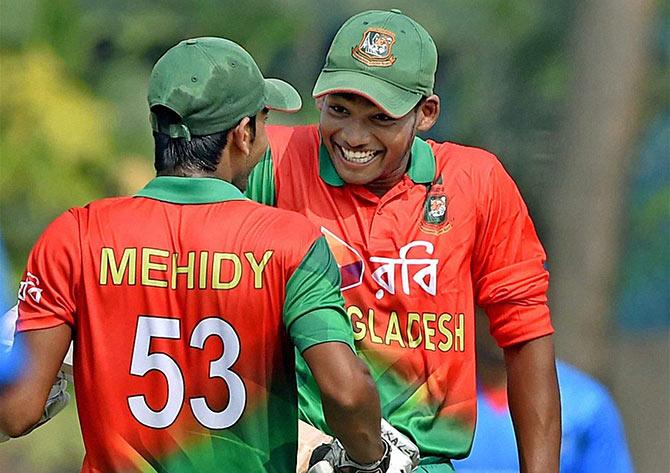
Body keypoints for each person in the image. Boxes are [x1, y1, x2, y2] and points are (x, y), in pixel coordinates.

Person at [0, 37, 412, 473]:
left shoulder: (76, 234)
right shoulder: (292, 242)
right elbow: (346, 392)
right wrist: (373, 456)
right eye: (264, 120)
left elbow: (17, 411)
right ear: (242, 133)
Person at [245, 9, 561, 472]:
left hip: (422, 463)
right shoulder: (270, 160)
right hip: (300, 457)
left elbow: (526, 334)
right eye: (339, 110)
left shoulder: (476, 182)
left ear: (426, 112)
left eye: (381, 118)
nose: (354, 136)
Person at [453, 311, 634, 473]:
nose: (502, 320)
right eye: (488, 308)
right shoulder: (436, 397)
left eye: (517, 307)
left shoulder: (587, 403)